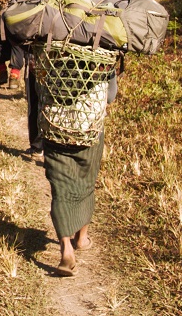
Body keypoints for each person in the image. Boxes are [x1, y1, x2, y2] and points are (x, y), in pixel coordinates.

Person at [42, 70, 117, 277]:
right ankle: (81, 239)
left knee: (61, 187)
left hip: (55, 125)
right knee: (86, 182)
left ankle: (66, 247)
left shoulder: (50, 42)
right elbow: (110, 96)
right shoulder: (104, 43)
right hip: (88, 128)